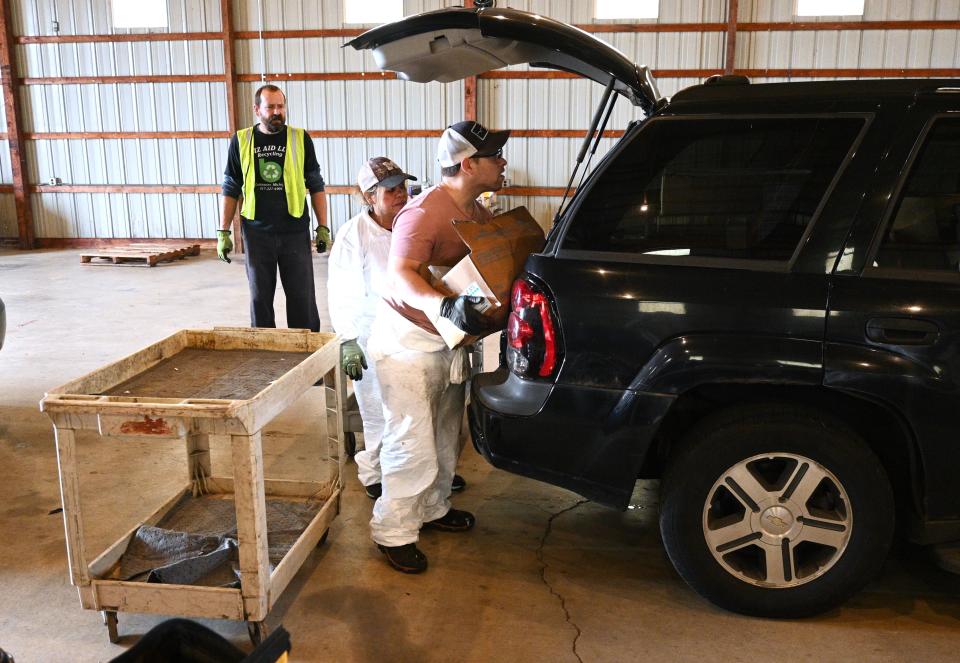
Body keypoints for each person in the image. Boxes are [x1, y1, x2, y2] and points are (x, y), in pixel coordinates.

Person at [366, 121, 509, 573]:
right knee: (413, 439)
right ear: (469, 164)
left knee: (447, 432)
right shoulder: (423, 212)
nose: (503, 162)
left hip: (448, 342)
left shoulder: (477, 212)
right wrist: (444, 306)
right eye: (495, 156)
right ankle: (393, 531)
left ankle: (433, 507)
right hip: (408, 343)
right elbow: (401, 274)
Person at [328, 157, 469, 502]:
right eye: (390, 190)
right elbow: (342, 291)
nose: (400, 195)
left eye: (402, 187)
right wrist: (347, 339)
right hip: (371, 337)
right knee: (380, 414)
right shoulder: (354, 235)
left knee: (423, 414)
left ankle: (432, 473)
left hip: (416, 334)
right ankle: (374, 472)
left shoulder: (413, 225)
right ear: (368, 196)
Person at [218, 84, 330, 332]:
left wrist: (323, 226)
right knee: (260, 299)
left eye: (281, 106)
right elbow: (230, 186)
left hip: (294, 230)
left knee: (302, 299)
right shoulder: (242, 140)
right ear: (257, 110)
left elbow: (316, 184)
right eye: (271, 107)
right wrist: (223, 232)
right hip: (257, 232)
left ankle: (307, 353)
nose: (277, 112)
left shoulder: (300, 138)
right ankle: (263, 355)